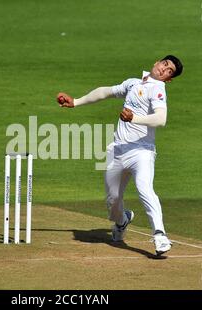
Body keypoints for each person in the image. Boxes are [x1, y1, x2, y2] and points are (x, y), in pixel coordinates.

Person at [56, 55, 183, 255]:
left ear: (169, 79)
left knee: (144, 188)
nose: (164, 70)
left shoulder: (158, 89)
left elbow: (161, 119)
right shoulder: (133, 83)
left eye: (169, 72)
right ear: (157, 62)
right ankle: (122, 221)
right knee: (112, 200)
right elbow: (105, 92)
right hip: (118, 150)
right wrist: (76, 102)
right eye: (165, 64)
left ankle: (160, 236)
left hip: (142, 151)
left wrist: (134, 118)